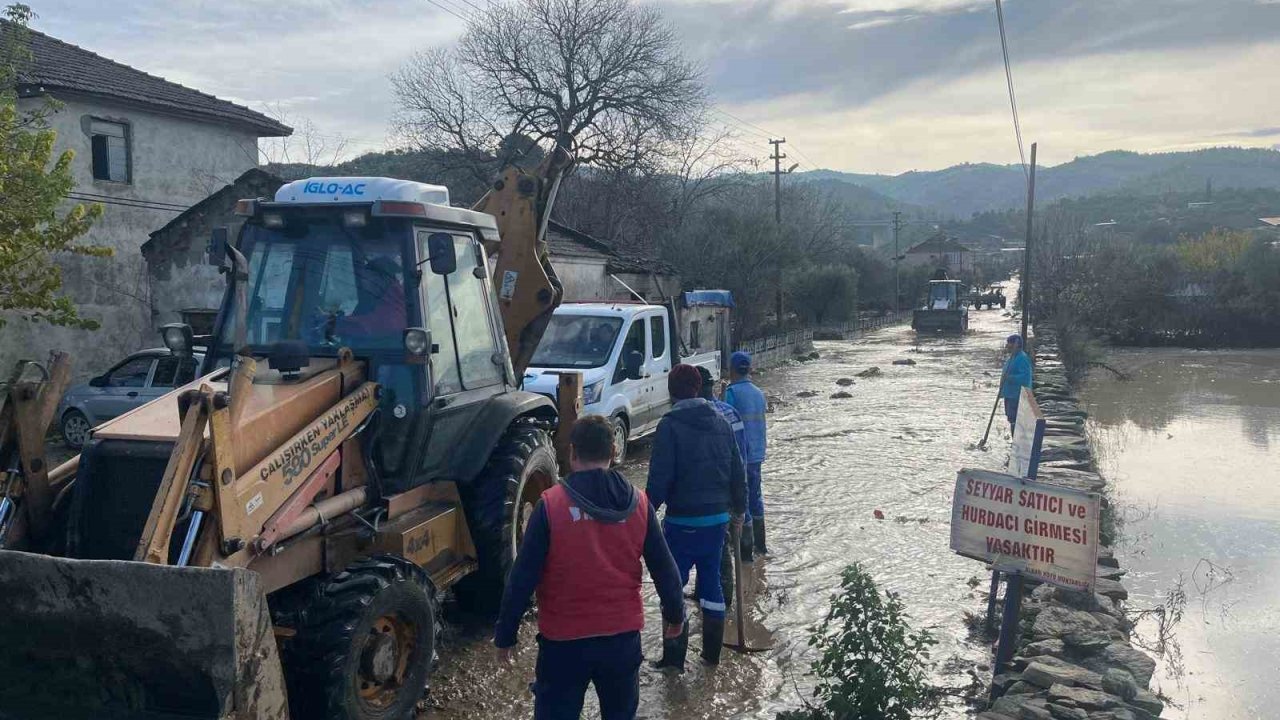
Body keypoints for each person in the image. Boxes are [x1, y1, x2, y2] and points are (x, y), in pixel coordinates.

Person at [493, 416, 685, 720]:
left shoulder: (551, 505)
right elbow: (664, 567)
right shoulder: (639, 504)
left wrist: (506, 634)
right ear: (613, 450)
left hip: (563, 644)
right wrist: (676, 614)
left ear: (572, 453)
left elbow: (522, 577)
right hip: (622, 640)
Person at [647, 364, 747, 670]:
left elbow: (659, 479)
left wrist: (644, 513)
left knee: (672, 588)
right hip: (717, 520)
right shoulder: (721, 422)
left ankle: (673, 660)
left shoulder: (669, 425)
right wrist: (740, 511)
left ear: (671, 391)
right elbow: (737, 472)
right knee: (712, 584)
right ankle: (711, 657)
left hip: (682, 523)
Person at [724, 351, 768, 558]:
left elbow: (726, 422)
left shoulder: (731, 393)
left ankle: (746, 552)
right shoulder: (759, 393)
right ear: (749, 369)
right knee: (755, 496)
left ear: (732, 370)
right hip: (757, 454)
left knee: (742, 498)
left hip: (740, 456)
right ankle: (761, 546)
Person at [1001, 334, 1033, 431]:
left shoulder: (1022, 358)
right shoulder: (1012, 357)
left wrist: (1010, 378)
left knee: (1014, 419)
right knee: (1011, 418)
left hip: (1016, 395)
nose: (1007, 346)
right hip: (1009, 394)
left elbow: (1025, 378)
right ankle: (1013, 440)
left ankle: (1015, 440)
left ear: (1016, 344)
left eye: (1010, 344)